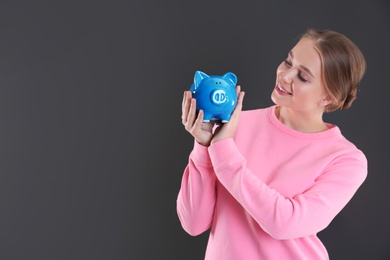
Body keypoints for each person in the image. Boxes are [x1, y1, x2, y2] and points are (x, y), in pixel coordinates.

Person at [177, 28, 367, 260]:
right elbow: (193, 223)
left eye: (303, 77)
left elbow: (285, 223)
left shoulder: (345, 160)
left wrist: (222, 150)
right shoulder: (234, 127)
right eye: (288, 62)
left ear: (329, 97)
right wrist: (203, 146)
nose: (285, 76)